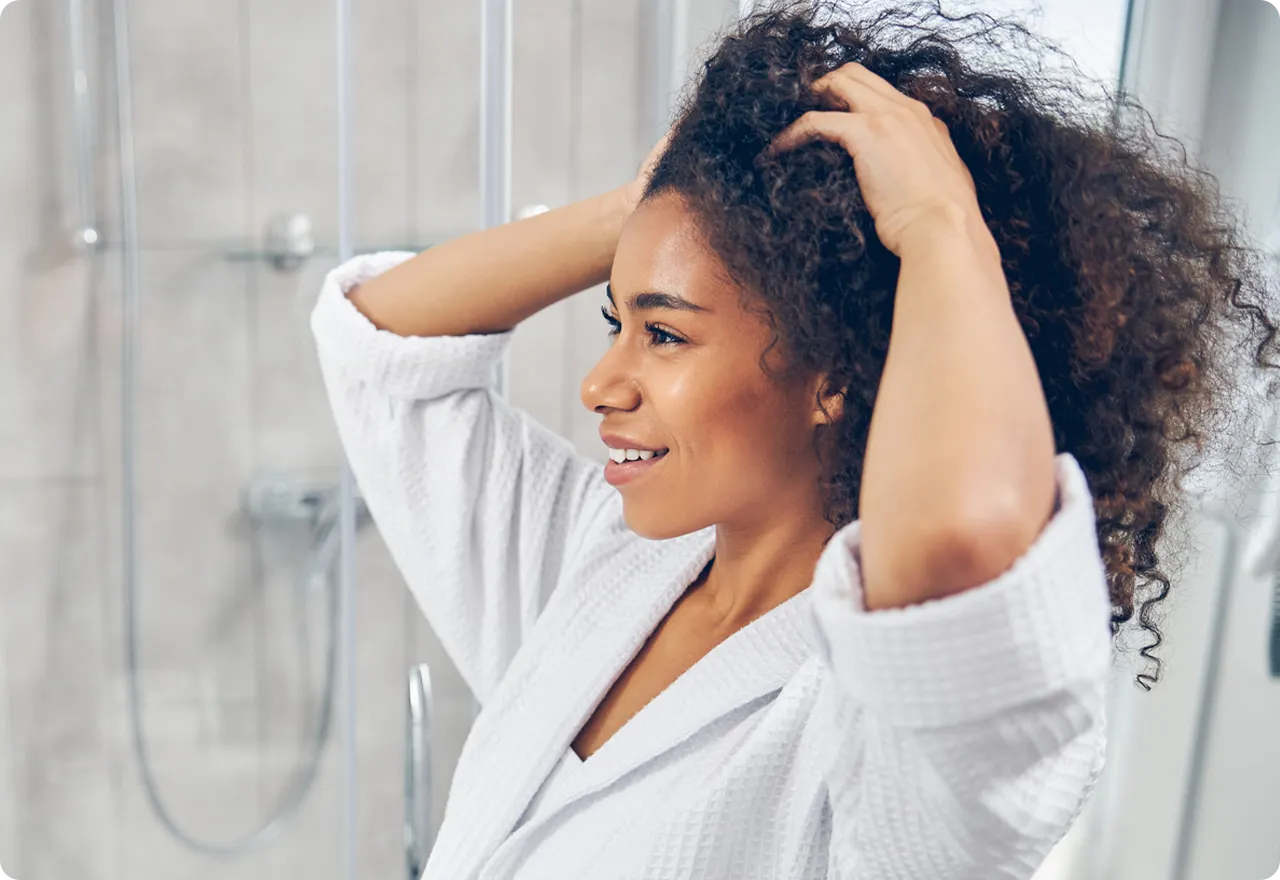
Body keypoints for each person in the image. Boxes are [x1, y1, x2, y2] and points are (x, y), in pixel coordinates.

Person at [309, 2, 1279, 877]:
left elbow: (960, 539)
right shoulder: (605, 564)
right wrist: (656, 198)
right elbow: (382, 352)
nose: (599, 384)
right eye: (618, 323)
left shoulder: (900, 742)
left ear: (835, 376)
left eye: (664, 333)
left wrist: (943, 232)